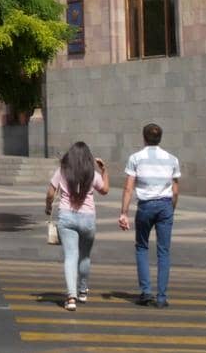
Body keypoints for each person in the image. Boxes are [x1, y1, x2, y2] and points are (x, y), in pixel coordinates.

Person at [119, 122, 181, 307]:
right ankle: (162, 297)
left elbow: (128, 187)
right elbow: (176, 189)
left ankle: (146, 292)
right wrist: (172, 208)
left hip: (145, 206)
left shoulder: (135, 158)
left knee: (142, 247)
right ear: (160, 138)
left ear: (144, 137)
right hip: (165, 206)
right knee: (164, 251)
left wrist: (124, 212)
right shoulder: (172, 159)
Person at [44, 141, 109, 311]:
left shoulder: (62, 171)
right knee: (85, 257)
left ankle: (71, 297)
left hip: (67, 217)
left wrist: (48, 206)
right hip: (88, 219)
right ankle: (82, 291)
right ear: (88, 158)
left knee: (71, 257)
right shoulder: (93, 174)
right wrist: (104, 170)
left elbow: (50, 193)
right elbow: (105, 190)